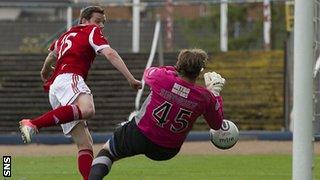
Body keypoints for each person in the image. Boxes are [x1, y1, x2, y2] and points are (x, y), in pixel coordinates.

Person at [18, 6, 141, 180]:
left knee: (85, 143)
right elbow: (110, 54)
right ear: (84, 21)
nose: (101, 25)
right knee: (88, 109)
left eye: (103, 22)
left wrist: (45, 72)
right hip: (70, 78)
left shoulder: (64, 36)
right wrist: (130, 78)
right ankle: (33, 123)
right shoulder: (91, 31)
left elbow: (51, 57)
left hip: (56, 86)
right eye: (98, 21)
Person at [88, 49, 226, 180]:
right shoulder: (205, 97)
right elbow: (217, 124)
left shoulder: (162, 78)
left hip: (140, 134)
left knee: (107, 152)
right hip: (168, 149)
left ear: (179, 66)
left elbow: (149, 73)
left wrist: (175, 69)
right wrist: (215, 93)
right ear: (199, 71)